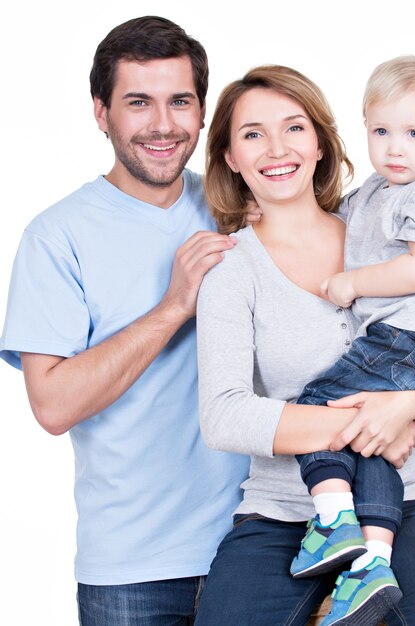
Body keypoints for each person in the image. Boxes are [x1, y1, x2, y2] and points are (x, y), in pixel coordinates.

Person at [194, 64, 415, 625]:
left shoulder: (382, 231)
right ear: (231, 157)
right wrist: (372, 424)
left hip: (407, 499)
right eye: (253, 134)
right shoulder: (232, 269)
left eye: (294, 127)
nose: (277, 148)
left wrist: (410, 408)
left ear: (322, 143)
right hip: (283, 513)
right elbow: (224, 417)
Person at [0, 15, 251, 625]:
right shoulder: (56, 237)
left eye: (179, 102)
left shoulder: (240, 204)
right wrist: (173, 307)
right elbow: (53, 406)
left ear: (202, 110)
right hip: (131, 572)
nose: (162, 125)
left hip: (258, 547)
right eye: (138, 102)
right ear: (101, 112)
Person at [286, 55, 415, 623]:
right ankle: (371, 563)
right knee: (365, 440)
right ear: (364, 127)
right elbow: (326, 222)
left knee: (315, 408)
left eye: (413, 134)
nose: (396, 148)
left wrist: (350, 284)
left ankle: (335, 524)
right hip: (402, 340)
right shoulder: (371, 193)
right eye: (382, 131)